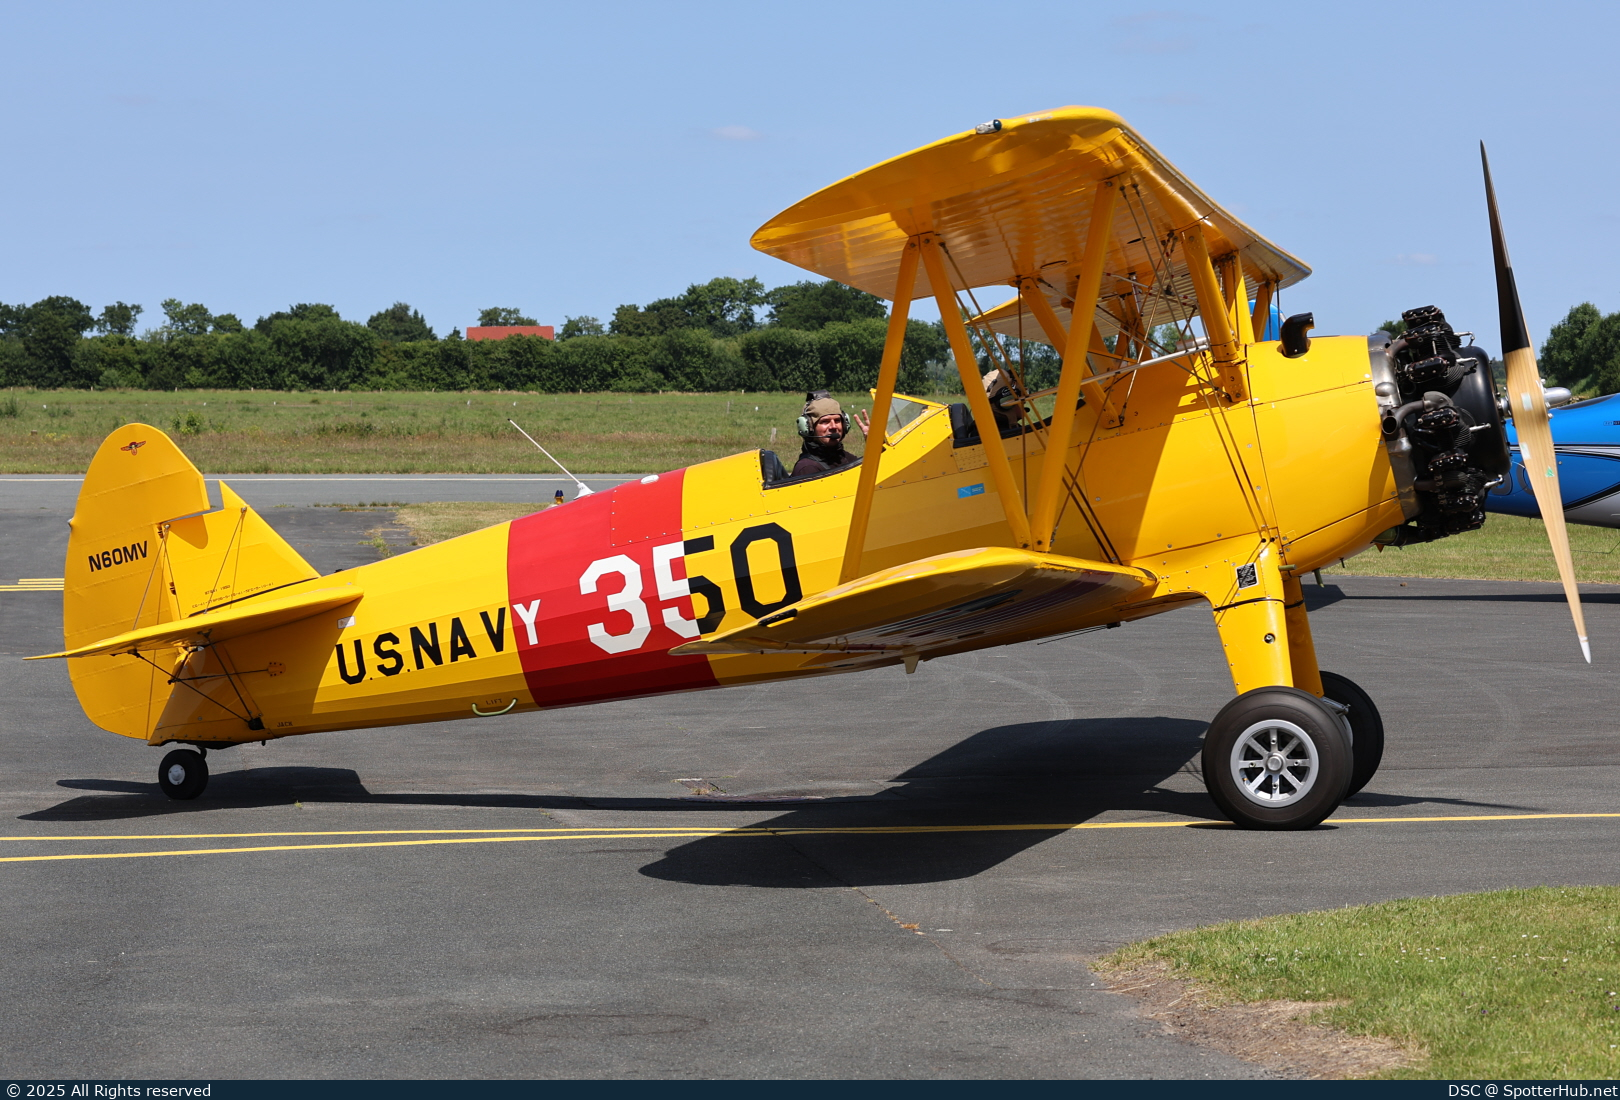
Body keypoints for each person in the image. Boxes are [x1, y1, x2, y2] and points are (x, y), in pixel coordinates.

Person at [791, 391, 870, 478]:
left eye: (837, 420)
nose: (833, 426)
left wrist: (875, 445)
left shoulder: (845, 458)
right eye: (825, 421)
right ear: (808, 428)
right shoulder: (808, 468)